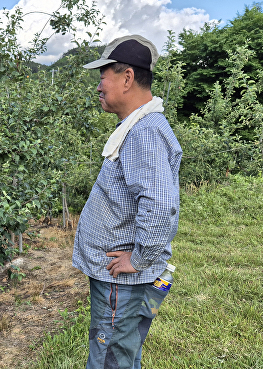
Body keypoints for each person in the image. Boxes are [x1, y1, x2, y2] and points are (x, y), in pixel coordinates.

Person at [72, 35, 182, 369]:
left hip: (122, 281)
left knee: (110, 360)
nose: (99, 86)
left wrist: (139, 257)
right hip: (119, 280)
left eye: (103, 76)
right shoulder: (136, 127)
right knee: (121, 355)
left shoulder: (143, 131)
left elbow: (161, 204)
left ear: (127, 77)